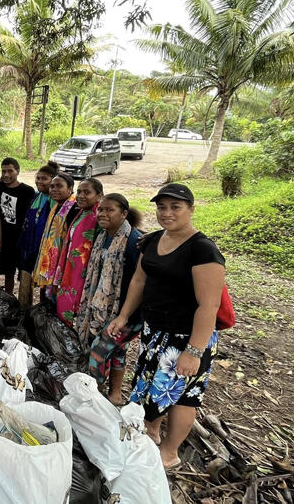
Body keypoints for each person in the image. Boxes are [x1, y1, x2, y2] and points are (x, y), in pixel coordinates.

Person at [107, 183, 225, 469]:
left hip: (187, 338)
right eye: (162, 207)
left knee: (183, 396)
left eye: (175, 207)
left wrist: (194, 352)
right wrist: (123, 316)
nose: (167, 213)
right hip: (155, 331)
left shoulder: (203, 250)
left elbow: (209, 306)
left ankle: (169, 454)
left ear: (191, 210)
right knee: (149, 386)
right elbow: (139, 281)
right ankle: (150, 432)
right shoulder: (153, 240)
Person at [76, 193, 143, 405]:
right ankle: (114, 394)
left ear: (124, 214)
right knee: (118, 352)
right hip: (103, 309)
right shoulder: (103, 237)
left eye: (110, 210)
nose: (103, 214)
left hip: (128, 313)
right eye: (101, 210)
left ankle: (92, 399)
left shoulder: (134, 242)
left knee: (98, 352)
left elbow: (139, 283)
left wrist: (125, 315)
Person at [53, 177, 104, 327]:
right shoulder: (81, 213)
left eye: (87, 192)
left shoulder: (98, 218)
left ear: (99, 196)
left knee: (81, 315)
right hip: (70, 269)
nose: (81, 196)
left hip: (84, 274)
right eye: (79, 192)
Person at [17, 161, 58, 308]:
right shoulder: (36, 197)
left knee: (44, 286)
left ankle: (43, 312)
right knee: (25, 283)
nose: (40, 182)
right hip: (28, 248)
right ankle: (24, 311)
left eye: (44, 179)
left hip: (46, 250)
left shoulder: (57, 203)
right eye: (38, 178)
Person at [32, 173, 78, 296]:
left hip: (63, 264)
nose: (54, 189)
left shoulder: (75, 209)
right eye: (52, 186)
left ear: (70, 189)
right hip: (50, 262)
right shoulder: (56, 207)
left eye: (59, 186)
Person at [0, 157, 36, 294]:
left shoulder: (27, 191)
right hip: (7, 239)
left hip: (23, 239)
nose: (6, 174)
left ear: (17, 171)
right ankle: (9, 299)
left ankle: (24, 303)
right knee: (8, 273)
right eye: (3, 171)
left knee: (25, 274)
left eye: (10, 171)